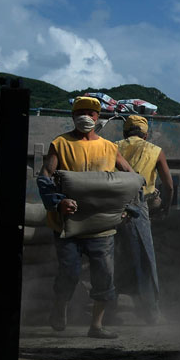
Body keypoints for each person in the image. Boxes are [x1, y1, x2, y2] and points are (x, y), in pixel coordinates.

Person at [37, 96, 134, 339]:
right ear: (72, 115)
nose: (86, 116)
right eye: (80, 111)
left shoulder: (109, 147)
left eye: (91, 113)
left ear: (98, 117)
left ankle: (97, 326)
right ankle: (60, 307)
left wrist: (124, 205)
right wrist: (58, 203)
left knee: (104, 276)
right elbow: (45, 177)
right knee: (69, 272)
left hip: (101, 226)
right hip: (68, 224)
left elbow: (131, 177)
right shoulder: (59, 144)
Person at [113, 115, 174, 324]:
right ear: (146, 134)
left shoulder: (112, 147)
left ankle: (108, 309)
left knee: (112, 256)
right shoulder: (155, 151)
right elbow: (169, 185)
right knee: (145, 259)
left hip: (112, 206)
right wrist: (165, 207)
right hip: (138, 206)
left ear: (124, 132)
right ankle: (151, 312)